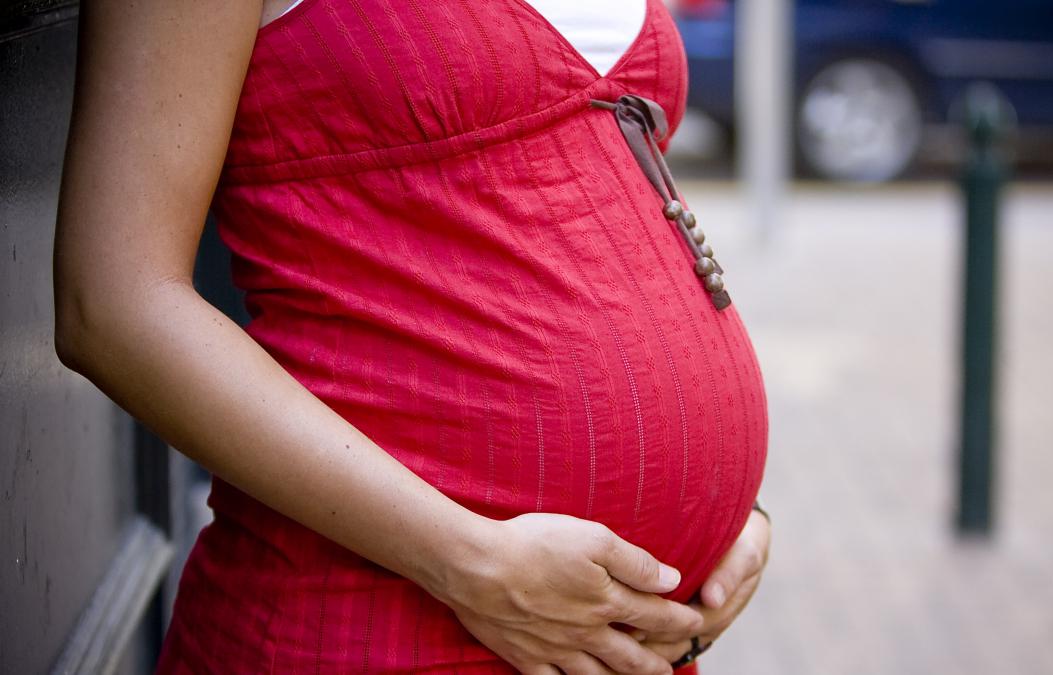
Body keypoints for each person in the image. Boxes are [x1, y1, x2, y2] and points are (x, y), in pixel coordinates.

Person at [53, 0, 771, 672]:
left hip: (618, 630)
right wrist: (466, 559)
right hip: (373, 618)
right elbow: (113, 302)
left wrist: (724, 506)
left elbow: (595, 185)